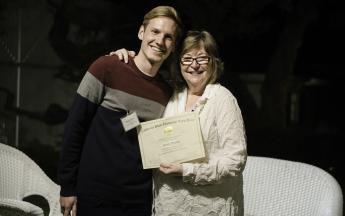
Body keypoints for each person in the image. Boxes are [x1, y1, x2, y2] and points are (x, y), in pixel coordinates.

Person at [57, 6, 182, 216]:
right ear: (142, 32)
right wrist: (67, 187)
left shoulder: (166, 94)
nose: (160, 41)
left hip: (139, 200)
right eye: (155, 32)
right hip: (95, 194)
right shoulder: (107, 68)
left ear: (173, 46)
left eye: (168, 37)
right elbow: (74, 128)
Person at [112, 30, 247, 215]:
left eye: (202, 58)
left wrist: (187, 170)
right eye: (187, 58)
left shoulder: (222, 99)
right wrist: (123, 62)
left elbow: (235, 162)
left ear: (213, 62)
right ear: (179, 63)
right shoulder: (171, 96)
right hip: (169, 207)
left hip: (210, 208)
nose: (194, 65)